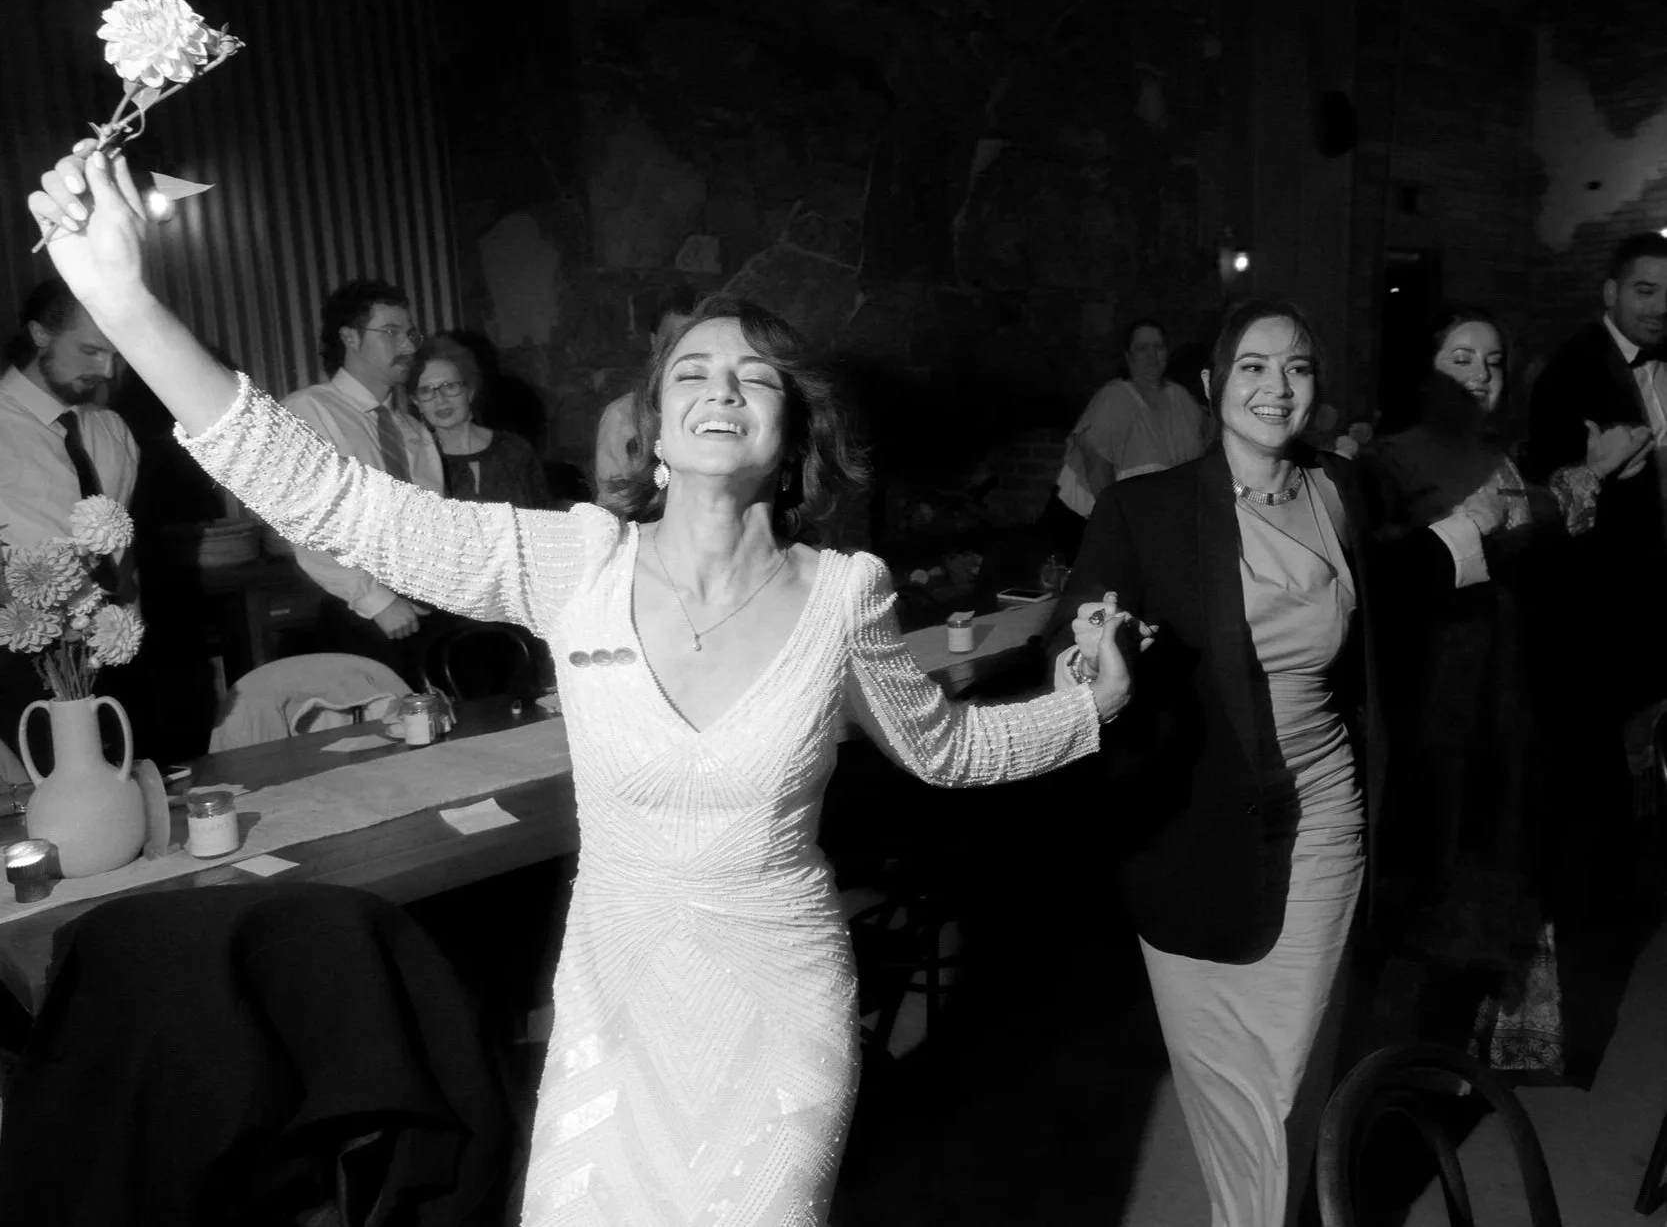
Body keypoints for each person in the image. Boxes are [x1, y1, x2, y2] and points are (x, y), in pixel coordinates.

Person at [28, 142, 1148, 1227]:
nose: (721, 389)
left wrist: (1084, 707)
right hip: (614, 1010)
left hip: (778, 1003)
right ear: (654, 426)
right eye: (692, 374)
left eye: (753, 377)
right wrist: (126, 303)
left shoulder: (840, 593)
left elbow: (942, 746)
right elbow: (333, 499)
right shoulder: (578, 562)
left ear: (788, 427)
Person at [1048, 299, 1380, 1227]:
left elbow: (1396, 611)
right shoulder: (1144, 508)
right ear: (1212, 385)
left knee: (1286, 1072)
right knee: (1225, 1080)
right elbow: (1074, 623)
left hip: (1323, 811)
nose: (1277, 388)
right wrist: (1088, 655)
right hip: (1190, 823)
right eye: (1253, 367)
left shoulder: (1343, 490)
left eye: (1298, 368)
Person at [1361, 305, 1648, 1076]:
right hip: (1435, 705)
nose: (1479, 375)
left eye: (1491, 361)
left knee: (1489, 879)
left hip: (1506, 696)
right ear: (1428, 368)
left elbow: (1539, 524)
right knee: (1431, 884)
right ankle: (1384, 1080)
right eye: (1461, 358)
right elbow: (1382, 577)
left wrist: (1591, 474)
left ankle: (1447, 1063)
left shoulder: (1500, 452)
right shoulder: (1388, 459)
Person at [1525, 233, 1667, 918]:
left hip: (1655, 600)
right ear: (1610, 292)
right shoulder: (1571, 371)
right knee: (1599, 774)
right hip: (1599, 611)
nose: (1660, 307)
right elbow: (1545, 503)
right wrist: (1600, 478)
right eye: (1645, 290)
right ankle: (1591, 910)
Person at [280, 278, 445, 684]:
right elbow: (307, 522)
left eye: (410, 334)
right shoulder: (310, 410)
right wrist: (375, 599)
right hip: (356, 612)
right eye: (391, 332)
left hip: (424, 608)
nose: (408, 346)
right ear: (349, 337)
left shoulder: (411, 427)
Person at [0, 277, 139, 753]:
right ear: (40, 334)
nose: (106, 369)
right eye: (90, 351)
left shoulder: (112, 430)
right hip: (23, 660)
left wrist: (130, 616)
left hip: (109, 651)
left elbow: (121, 537)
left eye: (115, 355)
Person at [1040, 317, 1209, 555]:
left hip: (1157, 527)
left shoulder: (1181, 399)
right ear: (1128, 357)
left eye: (1158, 347)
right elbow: (1098, 469)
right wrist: (1117, 530)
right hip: (1096, 526)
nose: (1151, 355)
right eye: (1142, 348)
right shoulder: (1113, 399)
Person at [410, 334, 555, 509]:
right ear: (416, 402)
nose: (440, 400)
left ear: (469, 391)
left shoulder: (514, 450)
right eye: (426, 391)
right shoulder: (417, 461)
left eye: (450, 386)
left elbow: (545, 514)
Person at [593, 287, 696, 494]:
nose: (682, 352)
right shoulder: (623, 416)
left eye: (693, 342)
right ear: (654, 341)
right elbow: (613, 504)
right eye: (672, 341)